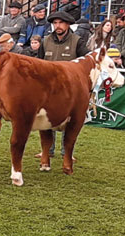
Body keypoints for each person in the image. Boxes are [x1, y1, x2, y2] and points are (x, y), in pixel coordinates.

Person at [35, 10, 88, 159]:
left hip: (68, 88)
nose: (57, 26)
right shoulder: (45, 41)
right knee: (45, 120)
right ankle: (47, 150)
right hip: (48, 87)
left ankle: (67, 152)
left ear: (68, 24)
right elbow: (39, 62)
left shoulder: (77, 41)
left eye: (61, 23)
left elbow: (86, 61)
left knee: (69, 120)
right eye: (55, 23)